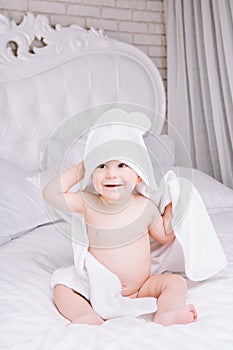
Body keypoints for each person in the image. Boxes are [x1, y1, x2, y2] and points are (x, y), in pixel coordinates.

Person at [43, 158, 198, 326]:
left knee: (175, 282)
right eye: (101, 166)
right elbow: (51, 194)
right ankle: (85, 315)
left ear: (139, 176)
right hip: (97, 286)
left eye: (122, 165)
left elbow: (165, 236)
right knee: (62, 286)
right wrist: (81, 168)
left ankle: (168, 312)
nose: (111, 174)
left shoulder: (145, 206)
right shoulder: (88, 203)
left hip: (141, 287)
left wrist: (170, 209)